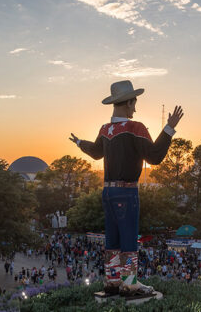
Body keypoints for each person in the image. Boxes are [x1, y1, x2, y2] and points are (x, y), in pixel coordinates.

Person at [70, 80, 183, 297]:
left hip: (107, 193)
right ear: (128, 102)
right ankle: (130, 284)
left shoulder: (105, 130)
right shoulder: (135, 128)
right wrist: (169, 128)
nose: (135, 108)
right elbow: (155, 156)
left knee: (112, 238)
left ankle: (112, 281)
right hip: (127, 192)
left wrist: (78, 142)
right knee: (129, 238)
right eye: (134, 103)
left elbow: (95, 152)